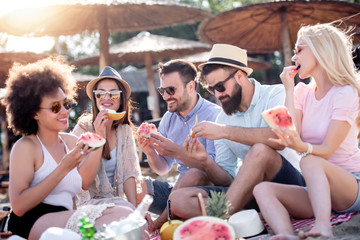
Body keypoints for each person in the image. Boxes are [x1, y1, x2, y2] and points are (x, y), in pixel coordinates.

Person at [2, 58, 141, 240]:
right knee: (122, 215)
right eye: (55, 107)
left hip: (64, 217)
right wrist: (63, 168)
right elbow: (19, 206)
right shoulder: (26, 146)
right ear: (34, 112)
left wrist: (99, 137)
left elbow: (83, 183)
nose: (65, 111)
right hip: (32, 221)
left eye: (66, 103)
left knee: (131, 217)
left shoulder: (70, 141)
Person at [169, 44, 305, 219]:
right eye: (211, 90)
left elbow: (281, 138)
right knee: (178, 199)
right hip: (250, 194)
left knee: (260, 151)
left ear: (240, 76)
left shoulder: (276, 95)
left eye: (220, 87)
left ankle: (221, 216)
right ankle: (253, 214)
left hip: (291, 185)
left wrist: (225, 132)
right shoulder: (223, 119)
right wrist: (205, 160)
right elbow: (227, 179)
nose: (217, 95)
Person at [253, 23, 360, 239]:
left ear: (321, 50)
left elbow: (327, 150)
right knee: (262, 189)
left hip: (350, 186)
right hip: (317, 189)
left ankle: (323, 227)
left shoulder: (345, 92)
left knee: (309, 159)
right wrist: (289, 89)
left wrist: (302, 148)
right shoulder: (303, 92)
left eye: (299, 50)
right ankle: (286, 234)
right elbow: (291, 133)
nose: (294, 58)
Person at [137, 59, 221, 229]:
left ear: (191, 86)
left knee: (194, 174)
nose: (166, 96)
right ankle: (170, 216)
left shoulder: (214, 116)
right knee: (138, 184)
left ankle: (158, 225)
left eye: (171, 90)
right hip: (177, 191)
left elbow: (216, 173)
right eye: (163, 90)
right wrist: (150, 152)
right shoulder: (168, 119)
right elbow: (163, 169)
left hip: (206, 195)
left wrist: (177, 152)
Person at [72, 66, 142, 208]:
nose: (107, 98)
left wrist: (135, 212)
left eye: (114, 94)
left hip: (118, 203)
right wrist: (99, 136)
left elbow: (129, 175)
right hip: (88, 204)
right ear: (95, 99)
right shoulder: (82, 129)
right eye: (100, 94)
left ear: (121, 99)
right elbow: (83, 183)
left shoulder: (125, 131)